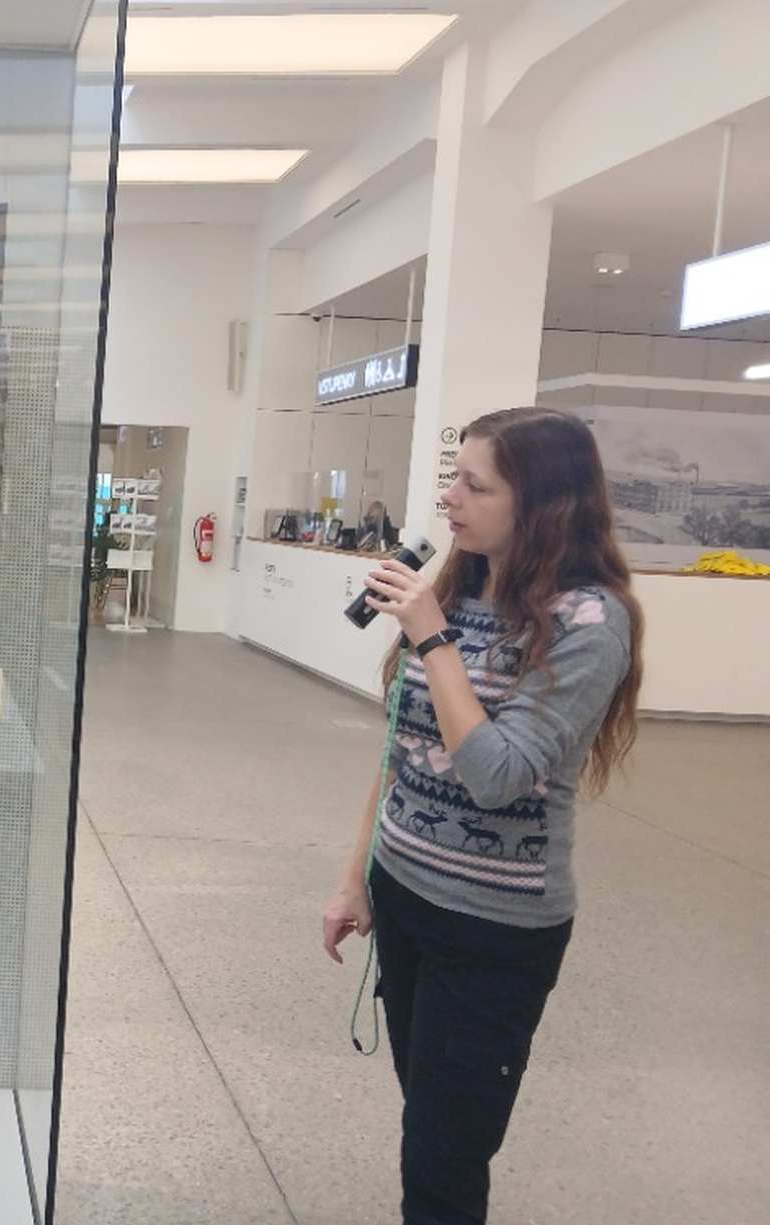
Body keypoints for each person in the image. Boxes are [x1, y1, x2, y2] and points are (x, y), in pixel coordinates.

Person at [322, 408, 644, 1225]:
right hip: (403, 897)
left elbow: (497, 774)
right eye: (453, 478)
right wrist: (355, 878)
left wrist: (433, 641)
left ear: (541, 502)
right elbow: (401, 747)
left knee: (444, 1155)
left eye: (475, 484)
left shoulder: (588, 622)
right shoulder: (459, 591)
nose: (449, 497)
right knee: (426, 1119)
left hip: (492, 929)